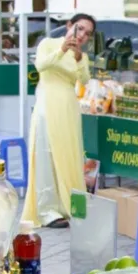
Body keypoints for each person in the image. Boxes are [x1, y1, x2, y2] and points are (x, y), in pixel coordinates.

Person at [23, 13, 94, 228]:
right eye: (79, 29)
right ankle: (47, 210)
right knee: (46, 154)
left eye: (87, 33)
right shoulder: (49, 44)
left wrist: (79, 58)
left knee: (70, 153)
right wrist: (63, 48)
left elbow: (84, 80)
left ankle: (73, 206)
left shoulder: (81, 56)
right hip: (47, 103)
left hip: (68, 105)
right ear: (69, 25)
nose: (82, 35)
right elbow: (41, 66)